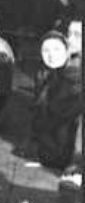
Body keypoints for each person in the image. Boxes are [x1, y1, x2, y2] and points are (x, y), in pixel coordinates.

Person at [30, 30, 84, 172]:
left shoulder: (75, 75)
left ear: (67, 51)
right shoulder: (44, 74)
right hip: (54, 146)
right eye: (45, 50)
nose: (51, 55)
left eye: (57, 49)